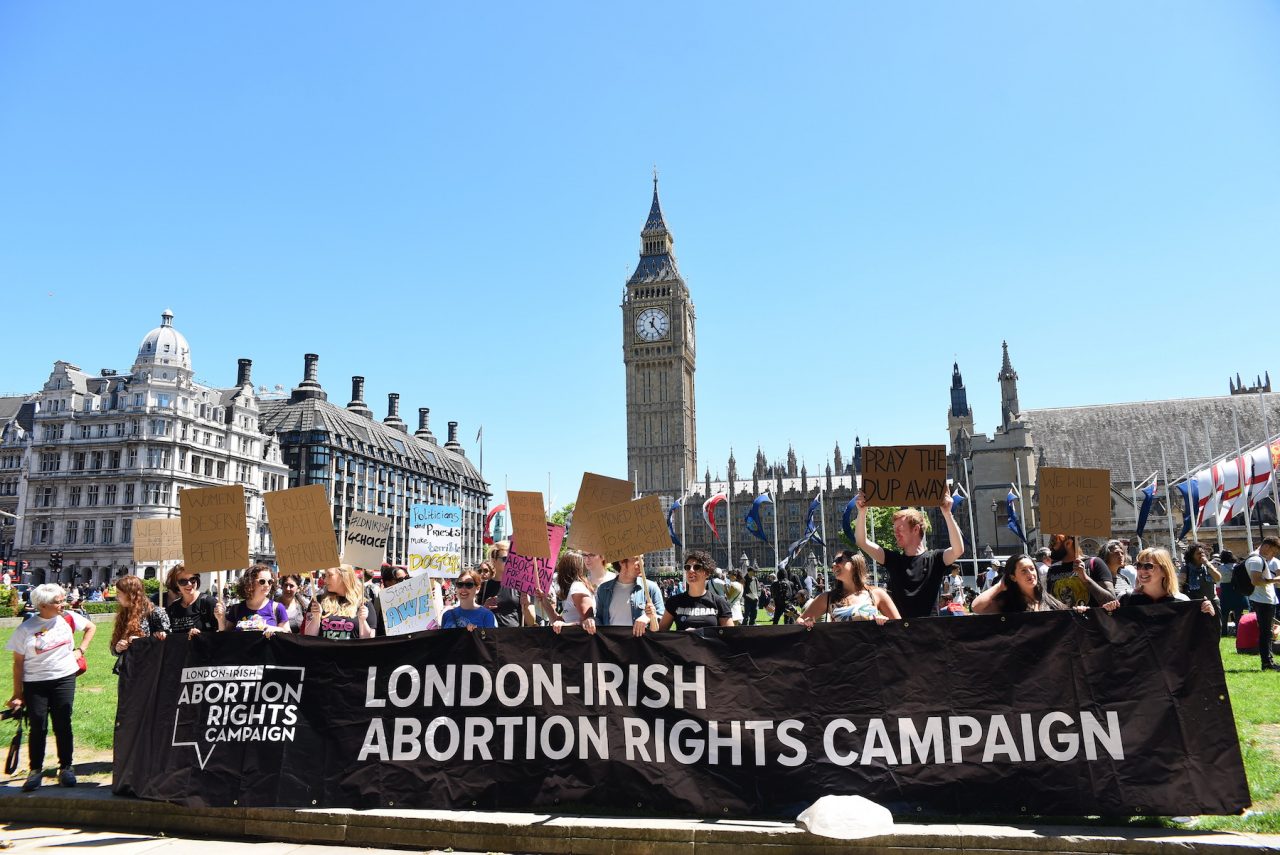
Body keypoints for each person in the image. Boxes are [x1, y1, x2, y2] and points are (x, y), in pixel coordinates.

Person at [5, 583, 96, 791]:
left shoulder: (68, 617)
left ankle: (66, 768)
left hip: (64, 678)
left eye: (63, 600)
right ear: (43, 605)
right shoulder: (25, 629)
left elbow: (91, 627)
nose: (63, 604)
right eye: (58, 602)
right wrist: (17, 694)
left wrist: (81, 650)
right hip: (35, 683)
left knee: (63, 723)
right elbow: (18, 664)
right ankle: (35, 770)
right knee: (38, 725)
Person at [854, 485, 965, 619]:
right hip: (900, 628)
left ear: (916, 529)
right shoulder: (893, 560)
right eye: (894, 529)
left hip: (929, 628)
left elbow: (958, 550)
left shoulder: (935, 559)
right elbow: (862, 542)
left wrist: (947, 514)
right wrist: (862, 512)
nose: (896, 533)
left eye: (900, 529)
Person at [1100, 547, 1215, 617]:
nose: (1141, 570)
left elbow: (1193, 637)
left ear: (1165, 571)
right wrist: (1107, 614)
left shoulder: (1181, 601)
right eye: (1139, 565)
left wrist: (1207, 614)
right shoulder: (1125, 599)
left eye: (1148, 566)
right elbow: (1113, 634)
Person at [798, 551, 899, 625]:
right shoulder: (827, 598)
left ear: (854, 563)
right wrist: (806, 623)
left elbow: (900, 627)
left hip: (872, 648)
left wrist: (885, 623)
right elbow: (799, 621)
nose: (833, 564)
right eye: (833, 562)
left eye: (839, 560)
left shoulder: (876, 594)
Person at [660, 550, 733, 631]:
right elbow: (660, 633)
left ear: (707, 573)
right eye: (687, 567)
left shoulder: (719, 603)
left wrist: (699, 634)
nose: (691, 570)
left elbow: (730, 635)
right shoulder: (674, 602)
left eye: (697, 567)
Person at [971, 553, 1068, 614]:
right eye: (1023, 571)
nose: (1030, 573)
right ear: (1013, 577)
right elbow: (976, 607)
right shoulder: (1007, 604)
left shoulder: (1048, 601)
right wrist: (1000, 586)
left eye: (1032, 569)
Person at [595, 555, 663, 636]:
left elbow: (661, 622)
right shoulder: (603, 589)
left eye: (642, 558)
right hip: (611, 643)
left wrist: (649, 617)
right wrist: (591, 620)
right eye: (636, 559)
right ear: (622, 562)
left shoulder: (651, 588)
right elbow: (599, 619)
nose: (641, 563)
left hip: (640, 643)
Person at [1042, 534, 1116, 608]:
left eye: (1053, 542)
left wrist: (1085, 578)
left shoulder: (1095, 563)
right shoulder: (1053, 570)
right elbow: (1049, 604)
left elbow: (1111, 600)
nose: (1049, 547)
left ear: (1068, 543)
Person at [303, 565, 373, 640]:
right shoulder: (318, 601)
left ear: (344, 576)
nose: (325, 580)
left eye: (330, 575)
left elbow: (370, 640)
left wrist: (363, 621)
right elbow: (309, 638)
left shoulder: (363, 603)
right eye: (325, 576)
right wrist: (316, 617)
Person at [216, 565, 289, 636]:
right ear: (250, 583)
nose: (267, 585)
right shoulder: (236, 609)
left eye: (270, 581)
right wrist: (221, 619)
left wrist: (276, 629)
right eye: (262, 581)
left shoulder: (277, 608)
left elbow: (288, 635)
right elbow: (225, 635)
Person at [111, 575, 170, 660]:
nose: (117, 597)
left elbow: (168, 644)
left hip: (151, 665)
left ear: (130, 594)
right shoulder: (124, 614)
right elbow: (113, 648)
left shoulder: (156, 613)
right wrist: (118, 648)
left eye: (119, 593)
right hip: (129, 666)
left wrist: (141, 641)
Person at [481, 542, 536, 627]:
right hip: (490, 635)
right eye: (505, 559)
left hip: (515, 635)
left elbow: (532, 623)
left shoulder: (522, 586)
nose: (510, 562)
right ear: (494, 560)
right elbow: (473, 618)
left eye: (513, 559)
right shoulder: (482, 587)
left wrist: (526, 607)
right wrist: (484, 608)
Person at [1246, 536, 1280, 672]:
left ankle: (1269, 661)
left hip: (1264, 600)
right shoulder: (1256, 560)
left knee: (1267, 632)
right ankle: (1267, 663)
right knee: (1266, 633)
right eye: (1273, 551)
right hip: (1263, 601)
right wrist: (1275, 580)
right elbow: (1256, 581)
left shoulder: (1257, 558)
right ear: (1266, 547)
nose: (1273, 555)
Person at [544, 551, 597, 634]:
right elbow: (557, 621)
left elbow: (589, 624)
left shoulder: (577, 588)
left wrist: (565, 625)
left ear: (565, 569)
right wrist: (543, 600)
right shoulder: (574, 588)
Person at [162, 565, 217, 636]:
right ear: (176, 584)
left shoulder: (209, 602)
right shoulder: (173, 608)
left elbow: (221, 634)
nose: (189, 584)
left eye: (192, 579)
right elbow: (169, 634)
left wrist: (201, 635)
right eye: (183, 581)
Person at [1182, 541, 1222, 632]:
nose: (1202, 555)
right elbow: (1180, 583)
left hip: (1213, 601)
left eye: (1203, 553)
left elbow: (1218, 578)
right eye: (1198, 553)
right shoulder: (1186, 568)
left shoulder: (1208, 566)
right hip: (1195, 604)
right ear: (1192, 556)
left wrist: (1207, 564)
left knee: (1215, 629)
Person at [1216, 549, 1247, 637]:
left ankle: (1224, 632)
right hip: (1237, 589)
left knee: (1224, 613)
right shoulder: (1237, 566)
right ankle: (1238, 632)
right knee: (1238, 613)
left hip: (1225, 590)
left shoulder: (1220, 567)